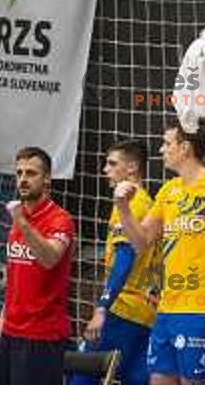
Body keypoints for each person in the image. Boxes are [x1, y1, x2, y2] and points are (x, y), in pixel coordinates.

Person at [114, 120, 205, 385]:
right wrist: (123, 207)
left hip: (200, 310)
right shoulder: (168, 191)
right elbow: (141, 242)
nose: (161, 150)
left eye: (167, 143)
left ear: (185, 148)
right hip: (166, 310)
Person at [71, 140, 156, 385]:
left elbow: (125, 259)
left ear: (132, 168)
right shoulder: (148, 202)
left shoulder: (129, 203)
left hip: (122, 309)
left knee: (83, 378)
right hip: (146, 313)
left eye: (111, 163)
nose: (104, 169)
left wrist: (101, 308)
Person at [0, 147, 75, 385]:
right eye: (19, 173)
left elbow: (50, 258)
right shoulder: (19, 221)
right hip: (10, 331)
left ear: (47, 179)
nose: (22, 179)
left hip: (42, 335)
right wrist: (3, 315)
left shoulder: (60, 219)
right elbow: (15, 273)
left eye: (31, 173)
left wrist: (21, 221)